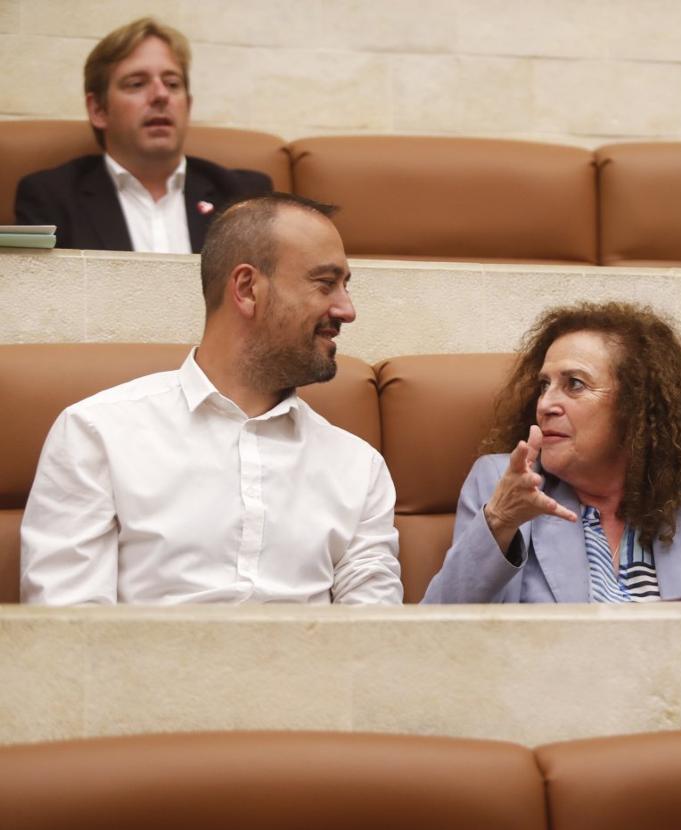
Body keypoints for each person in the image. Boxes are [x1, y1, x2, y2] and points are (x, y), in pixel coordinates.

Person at [20, 193, 402, 604]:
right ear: (246, 288)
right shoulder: (96, 433)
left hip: (314, 668)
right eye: (326, 284)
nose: (347, 310)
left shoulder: (360, 467)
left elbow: (374, 635)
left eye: (344, 287)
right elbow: (67, 628)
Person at [423, 302, 681, 602]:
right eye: (544, 386)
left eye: (574, 384)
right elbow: (438, 635)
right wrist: (500, 522)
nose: (545, 404)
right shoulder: (504, 483)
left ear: (635, 406)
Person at [14, 17, 270, 253]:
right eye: (137, 84)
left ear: (188, 106)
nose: (161, 95)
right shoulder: (52, 197)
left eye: (172, 84)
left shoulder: (244, 197)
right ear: (98, 110)